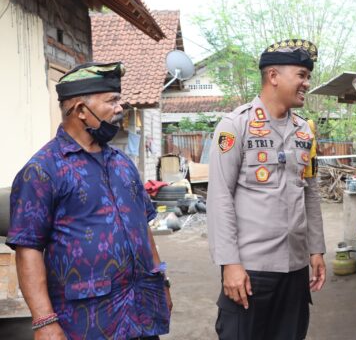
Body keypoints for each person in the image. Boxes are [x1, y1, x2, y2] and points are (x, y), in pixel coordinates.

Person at [7, 62, 172, 340]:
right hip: (88, 322)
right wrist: (44, 322)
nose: (120, 108)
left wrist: (162, 283)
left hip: (140, 312)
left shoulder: (122, 164)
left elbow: (143, 228)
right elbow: (28, 249)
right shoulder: (42, 170)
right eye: (112, 101)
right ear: (81, 111)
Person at [207, 39, 326, 340]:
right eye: (301, 75)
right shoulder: (235, 126)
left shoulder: (304, 131)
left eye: (307, 76)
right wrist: (229, 264)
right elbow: (219, 197)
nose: (306, 83)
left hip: (295, 269)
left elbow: (309, 193)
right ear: (273, 76)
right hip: (251, 268)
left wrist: (316, 248)